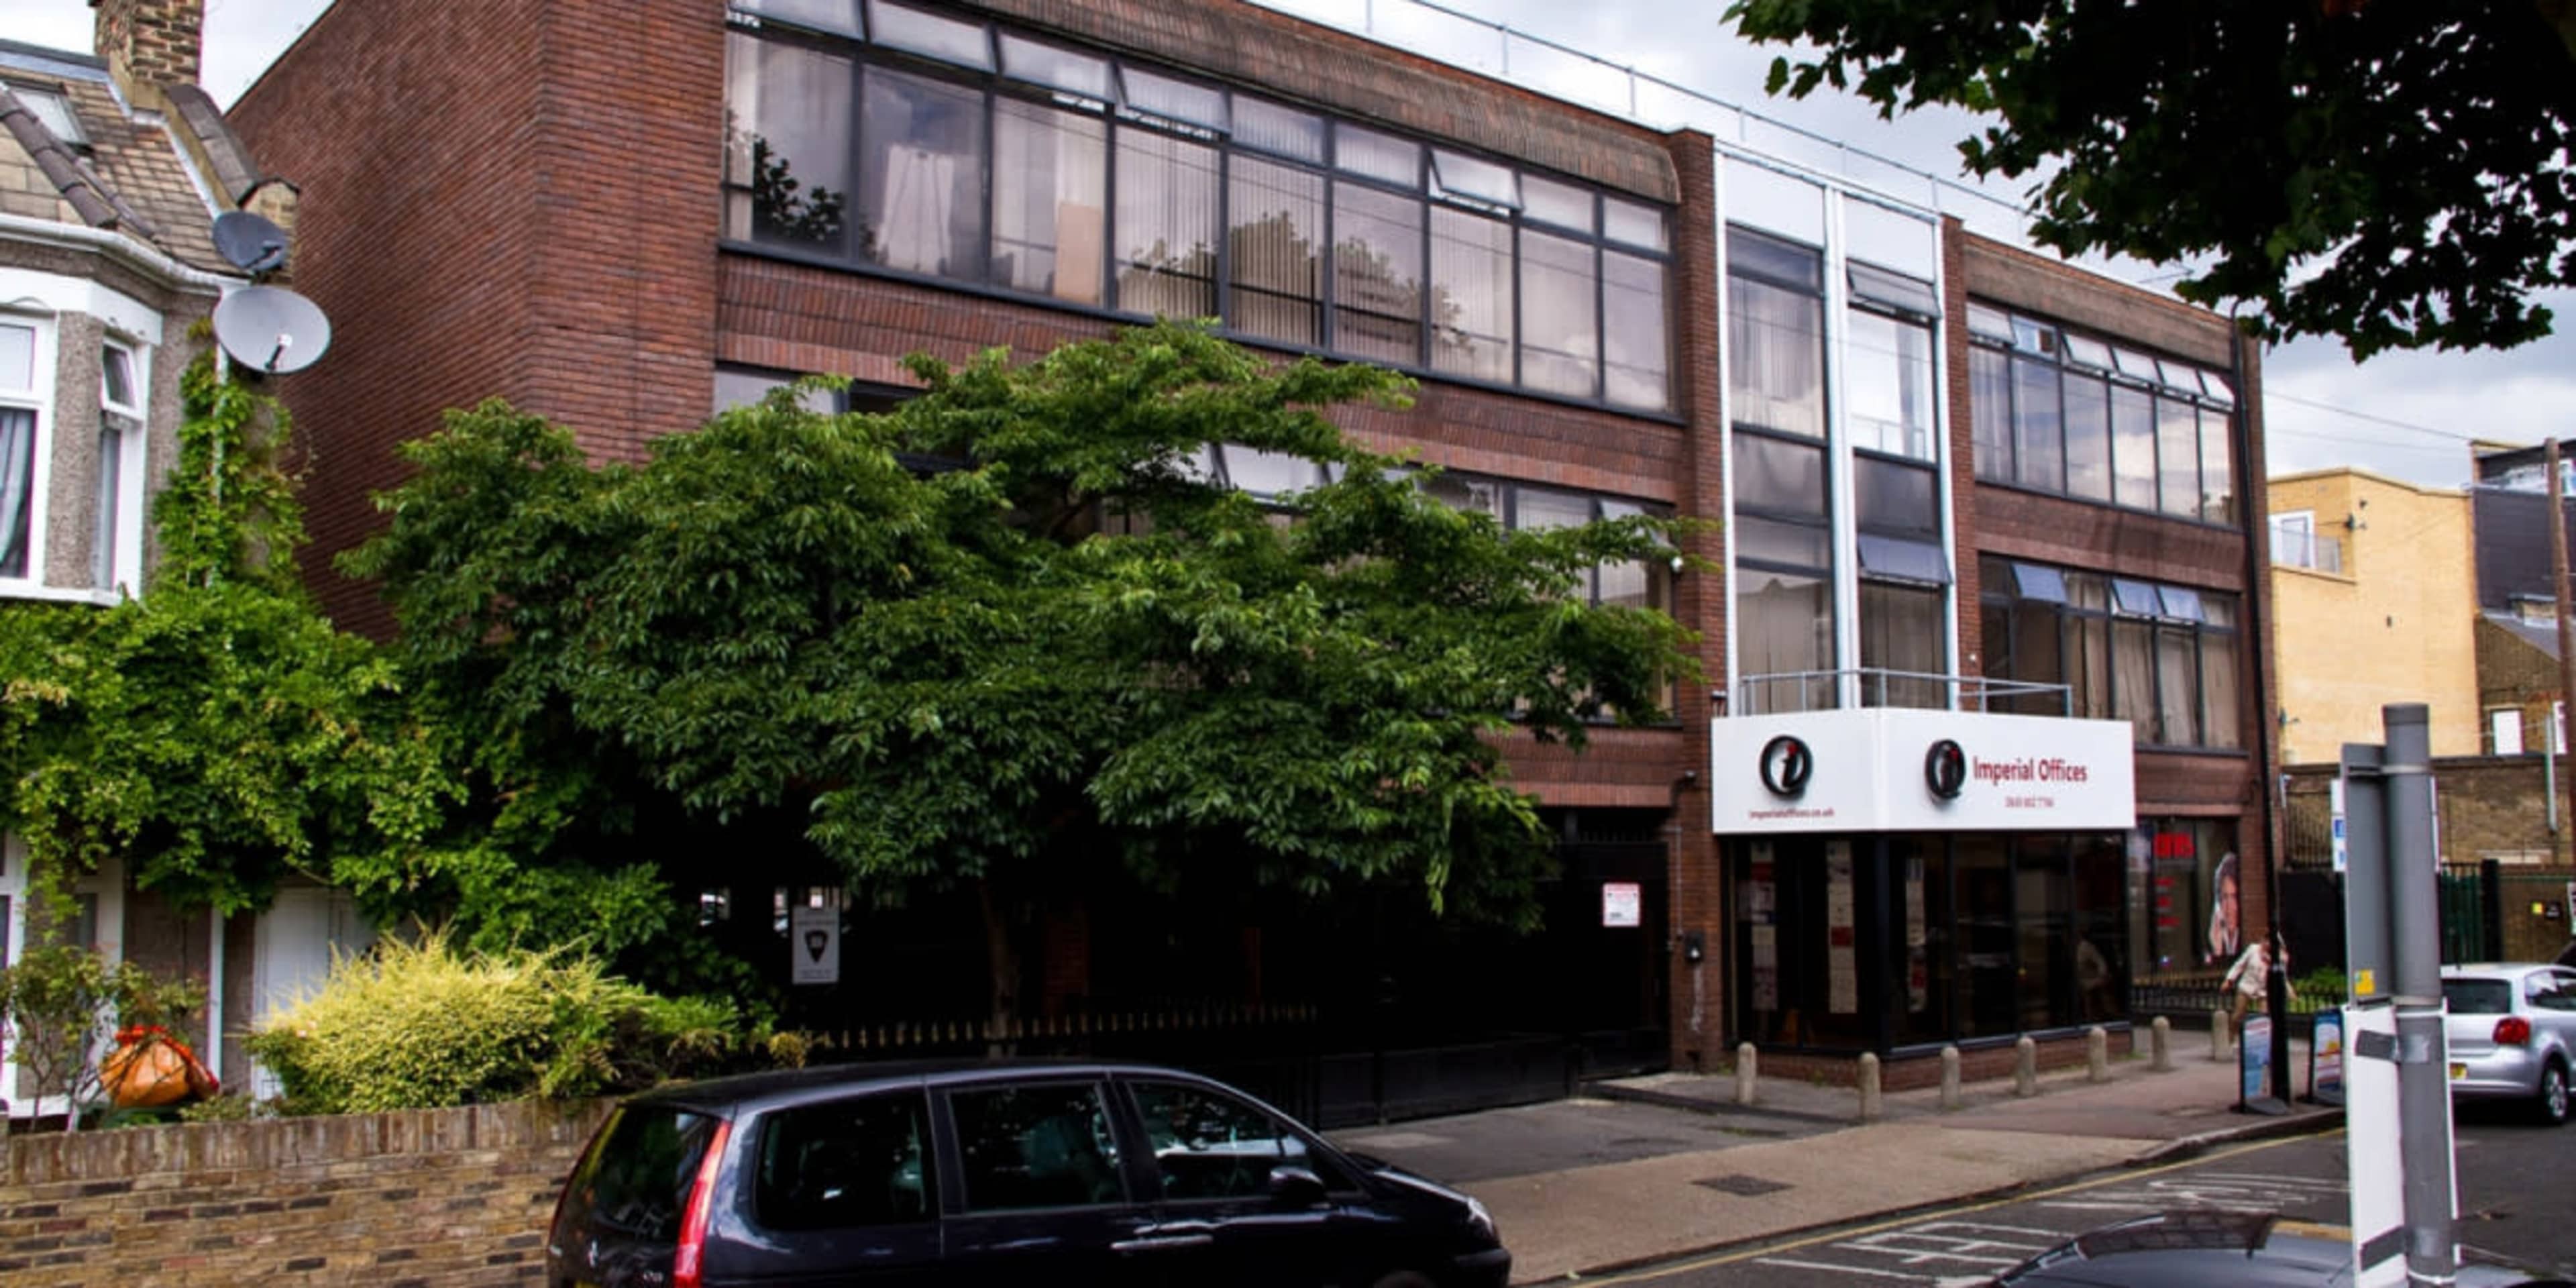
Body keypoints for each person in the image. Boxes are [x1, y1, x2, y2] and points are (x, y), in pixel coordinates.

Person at [2221, 931, 2294, 1032]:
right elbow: (2239, 965)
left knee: (2263, 1018)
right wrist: (2229, 980)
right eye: (2266, 940)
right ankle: (2231, 1038)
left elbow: (2282, 976)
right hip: (2247, 987)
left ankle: (2260, 1041)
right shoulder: (2253, 950)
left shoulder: (2281, 958)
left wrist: (2289, 990)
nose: (2267, 944)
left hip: (2263, 991)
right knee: (2238, 1015)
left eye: (2271, 942)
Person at [2206, 853, 2242, 964]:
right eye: (2224, 897)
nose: (2229, 907)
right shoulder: (2212, 937)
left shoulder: (2246, 939)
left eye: (2234, 897)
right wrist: (2217, 950)